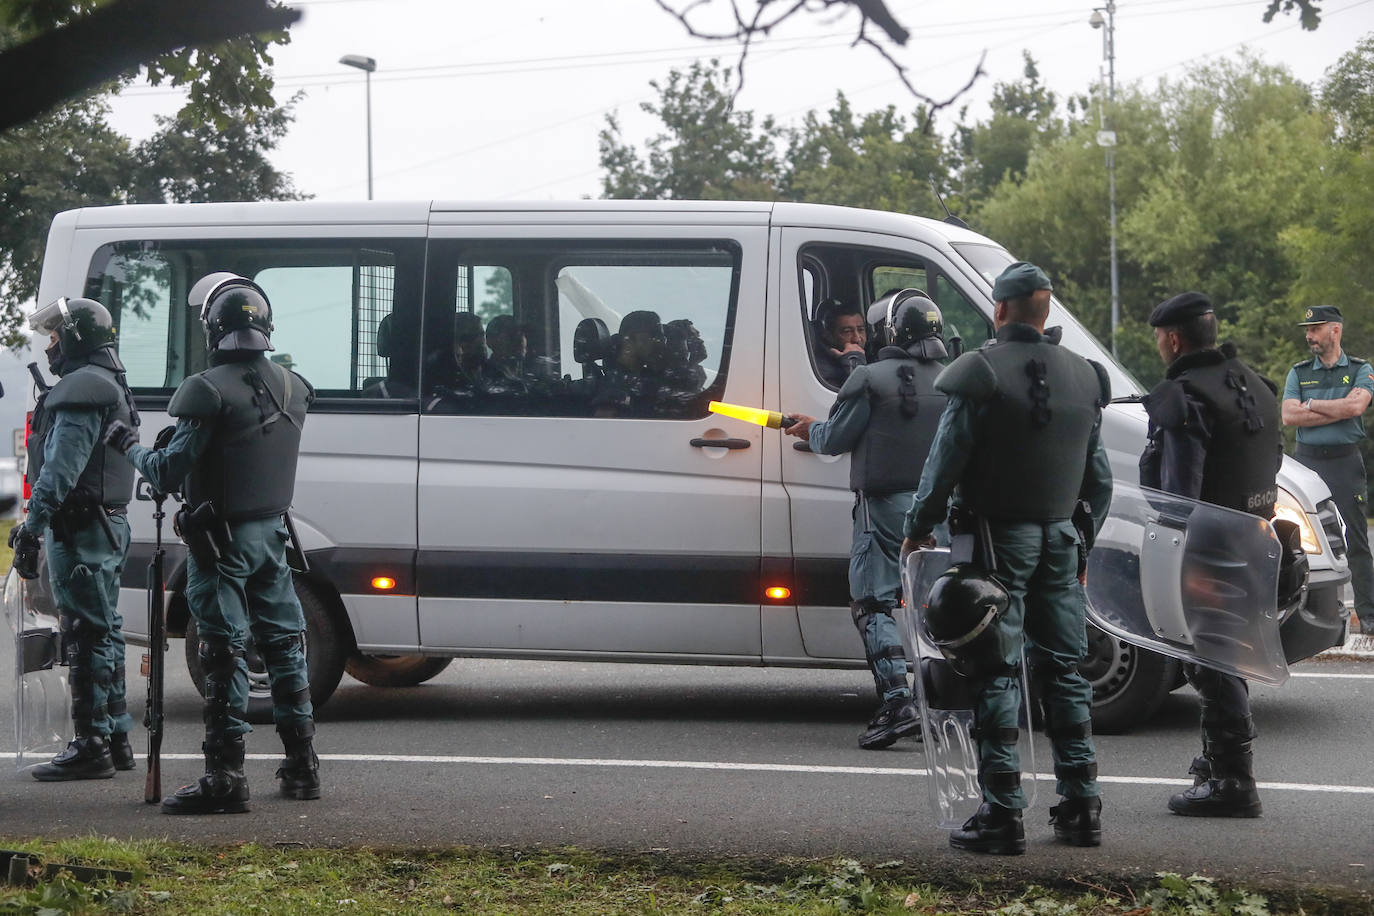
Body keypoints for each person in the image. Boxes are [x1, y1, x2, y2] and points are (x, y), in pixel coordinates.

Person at [899, 261, 1112, 855]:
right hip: (1062, 539)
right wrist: (1080, 543)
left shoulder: (980, 372)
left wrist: (916, 528)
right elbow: (1098, 482)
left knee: (994, 671)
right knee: (1065, 671)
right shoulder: (1087, 377)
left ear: (999, 309)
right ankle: (1081, 805)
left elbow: (944, 464)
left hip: (996, 541)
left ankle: (1002, 813)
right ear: (1047, 312)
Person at [103, 272, 318, 815]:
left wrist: (128, 443)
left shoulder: (205, 388)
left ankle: (225, 776)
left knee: (221, 651)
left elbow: (169, 471)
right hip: (274, 536)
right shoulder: (296, 386)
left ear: (212, 328)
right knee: (286, 648)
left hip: (220, 543)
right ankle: (302, 766)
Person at [784, 290, 948, 750]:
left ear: (888, 332)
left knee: (875, 603)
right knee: (939, 604)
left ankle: (898, 703)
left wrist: (809, 428)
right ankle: (949, 703)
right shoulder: (957, 379)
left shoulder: (869, 379)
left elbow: (834, 438)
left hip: (885, 510)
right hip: (942, 509)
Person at [1142, 291, 1281, 818]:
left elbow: (1179, 493)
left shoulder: (1183, 395)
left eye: (1160, 338)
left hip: (1205, 548)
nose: (1159, 346)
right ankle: (1217, 760)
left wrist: (1170, 553)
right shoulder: (1258, 386)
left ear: (1174, 339)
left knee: (1209, 660)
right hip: (1257, 543)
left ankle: (1232, 780)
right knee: (1228, 655)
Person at [10, 297, 139, 780]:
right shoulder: (106, 383)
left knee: (85, 633)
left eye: (56, 336)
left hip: (84, 530)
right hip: (102, 526)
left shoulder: (83, 388)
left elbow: (61, 471)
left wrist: (31, 525)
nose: (50, 346)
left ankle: (90, 745)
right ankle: (115, 737)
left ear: (76, 339)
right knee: (103, 629)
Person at [1281, 305, 1374, 639]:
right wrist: (1335, 410)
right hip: (1307, 462)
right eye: (1308, 330)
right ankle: (1301, 612)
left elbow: (1355, 407)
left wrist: (1311, 405)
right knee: (1300, 538)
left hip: (1344, 461)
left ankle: (1368, 616)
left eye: (1316, 329)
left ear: (1335, 330)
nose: (1309, 336)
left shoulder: (1361, 370)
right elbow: (1289, 416)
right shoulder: (1299, 372)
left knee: (1356, 539)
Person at [813, 299, 868, 387]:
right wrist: (854, 360)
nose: (857, 339)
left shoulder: (872, 353)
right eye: (847, 332)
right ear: (828, 336)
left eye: (861, 330)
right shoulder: (820, 372)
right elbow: (857, 395)